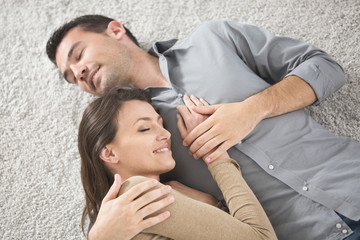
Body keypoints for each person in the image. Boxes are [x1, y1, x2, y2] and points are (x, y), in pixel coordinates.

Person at [46, 15, 360, 239]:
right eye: (72, 77)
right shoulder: (135, 138)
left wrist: (252, 109)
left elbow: (326, 68)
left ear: (115, 30)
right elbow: (116, 203)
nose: (79, 72)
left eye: (79, 55)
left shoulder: (214, 38)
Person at [78, 87, 277, 240]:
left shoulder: (125, 212)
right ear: (109, 153)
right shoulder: (138, 193)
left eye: (162, 125)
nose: (165, 134)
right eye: (145, 128)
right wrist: (216, 155)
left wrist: (211, 205)